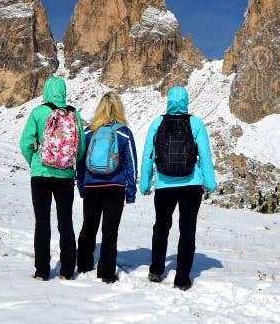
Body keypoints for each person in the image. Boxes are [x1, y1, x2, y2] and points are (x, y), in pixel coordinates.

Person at [140, 86, 216, 290]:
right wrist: (209, 183)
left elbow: (148, 155)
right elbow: (205, 156)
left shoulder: (158, 122)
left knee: (161, 227)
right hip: (191, 184)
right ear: (186, 101)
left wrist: (146, 183)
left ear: (168, 101)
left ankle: (156, 270)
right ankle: (182, 278)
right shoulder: (196, 123)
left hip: (164, 184)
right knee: (187, 229)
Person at [19, 76, 86, 281]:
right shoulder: (74, 115)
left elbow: (25, 143)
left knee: (42, 221)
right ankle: (67, 270)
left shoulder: (38, 112)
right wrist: (67, 162)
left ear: (47, 90)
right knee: (65, 221)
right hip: (65, 175)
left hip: (41, 173)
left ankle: (42, 271)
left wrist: (36, 163)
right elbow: (81, 148)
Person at [76, 92, 138, 283]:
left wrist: (82, 186)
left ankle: (84, 265)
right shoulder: (123, 132)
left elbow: (79, 162)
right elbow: (131, 164)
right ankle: (106, 272)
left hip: (92, 185)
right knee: (110, 230)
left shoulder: (88, 132)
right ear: (118, 108)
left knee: (89, 226)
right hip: (115, 186)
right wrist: (130, 193)